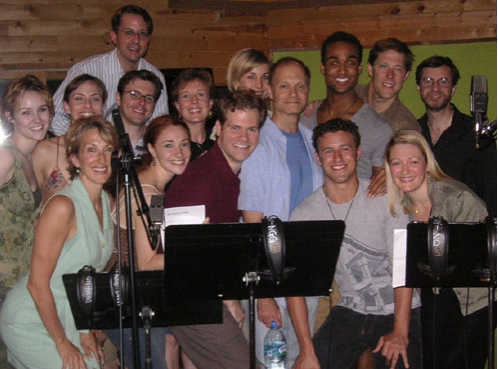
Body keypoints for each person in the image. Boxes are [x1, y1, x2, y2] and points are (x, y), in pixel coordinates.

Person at [286, 119, 422, 369]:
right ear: (318, 157)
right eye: (328, 150)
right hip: (351, 310)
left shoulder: (384, 198)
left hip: (399, 311)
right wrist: (306, 350)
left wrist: (401, 332)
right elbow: (295, 286)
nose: (337, 157)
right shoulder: (305, 214)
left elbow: (404, 268)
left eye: (345, 148)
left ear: (358, 153)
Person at [0, 116, 119, 369]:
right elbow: (37, 285)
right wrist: (63, 343)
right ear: (75, 159)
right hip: (30, 319)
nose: (101, 159)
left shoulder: (107, 201)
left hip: (70, 316)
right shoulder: (63, 206)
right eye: (91, 150)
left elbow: (86, 280)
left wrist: (85, 329)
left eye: (108, 150)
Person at [164, 91, 267, 368]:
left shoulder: (234, 174)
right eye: (235, 127)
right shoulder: (200, 180)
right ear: (218, 128)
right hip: (194, 299)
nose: (243, 138)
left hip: (211, 294)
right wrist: (228, 298)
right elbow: (184, 257)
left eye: (251, 129)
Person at [384, 130, 494, 369]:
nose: (405, 170)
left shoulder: (457, 199)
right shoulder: (398, 211)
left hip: (474, 301)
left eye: (413, 161)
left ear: (426, 163)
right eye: (396, 163)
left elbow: (485, 263)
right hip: (433, 300)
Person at [238, 56, 323, 368]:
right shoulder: (257, 143)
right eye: (284, 85)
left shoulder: (312, 137)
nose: (293, 93)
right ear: (270, 91)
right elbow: (251, 220)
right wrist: (263, 295)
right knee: (273, 361)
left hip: (305, 270)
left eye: (300, 86)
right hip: (270, 273)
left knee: (303, 359)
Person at [105, 115, 194, 369]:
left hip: (132, 293)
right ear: (152, 149)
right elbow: (146, 262)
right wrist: (196, 253)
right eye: (168, 145)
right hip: (126, 298)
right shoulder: (149, 194)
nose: (179, 152)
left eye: (184, 144)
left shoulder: (149, 183)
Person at [0, 74, 53, 368]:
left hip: (17, 286)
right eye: (25, 112)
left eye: (42, 110)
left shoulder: (30, 159)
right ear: (10, 116)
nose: (36, 119)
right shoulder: (6, 156)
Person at [300, 31, 393, 198]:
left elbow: (384, 189)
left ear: (359, 69)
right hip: (308, 215)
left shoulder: (379, 128)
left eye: (350, 62)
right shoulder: (304, 119)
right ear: (323, 67)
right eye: (334, 62)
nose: (342, 70)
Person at [51, 5, 168, 136]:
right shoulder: (86, 69)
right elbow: (54, 116)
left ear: (148, 40)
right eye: (129, 33)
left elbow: (159, 127)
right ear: (114, 36)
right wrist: (81, 143)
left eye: (142, 34)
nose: (136, 40)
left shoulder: (156, 76)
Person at [415, 55, 496, 217]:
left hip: (469, 228)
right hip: (424, 227)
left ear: (454, 88)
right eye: (428, 81)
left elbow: (493, 189)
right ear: (419, 87)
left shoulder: (477, 134)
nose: (435, 88)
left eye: (443, 81)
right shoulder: (413, 133)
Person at [33, 74, 107, 204]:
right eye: (79, 99)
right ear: (66, 106)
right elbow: (27, 204)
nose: (88, 105)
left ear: (103, 107)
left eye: (95, 99)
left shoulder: (112, 153)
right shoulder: (45, 150)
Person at [355, 37, 420, 133]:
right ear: (370, 69)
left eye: (397, 69)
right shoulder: (347, 96)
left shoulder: (407, 128)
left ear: (406, 76)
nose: (390, 75)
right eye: (383, 66)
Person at [115, 69, 164, 156]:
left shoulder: (160, 143)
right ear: (119, 98)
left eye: (149, 98)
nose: (142, 102)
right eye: (134, 94)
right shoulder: (101, 139)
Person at [171, 68, 216, 160]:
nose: (194, 101)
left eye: (200, 94)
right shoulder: (172, 147)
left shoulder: (221, 143)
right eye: (186, 96)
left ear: (210, 103)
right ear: (177, 106)